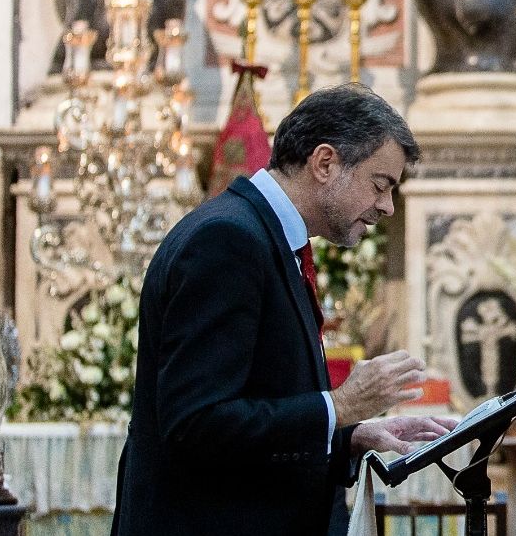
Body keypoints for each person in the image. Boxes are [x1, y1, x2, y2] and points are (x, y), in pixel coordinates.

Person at [113, 84, 454, 536]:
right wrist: (341, 405)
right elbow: (195, 426)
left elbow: (260, 400)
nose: (387, 207)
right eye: (380, 184)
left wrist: (346, 436)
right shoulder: (227, 241)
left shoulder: (262, 236)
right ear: (325, 163)